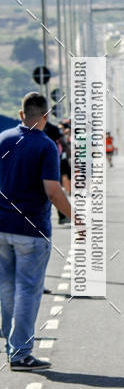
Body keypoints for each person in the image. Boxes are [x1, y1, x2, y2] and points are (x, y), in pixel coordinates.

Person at [0, 93, 71, 371]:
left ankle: (11, 344)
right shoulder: (46, 145)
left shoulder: (3, 139)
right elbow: (53, 191)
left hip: (1, 228)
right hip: (32, 230)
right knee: (28, 290)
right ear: (45, 117)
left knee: (6, 287)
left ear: (21, 114)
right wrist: (74, 216)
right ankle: (20, 354)